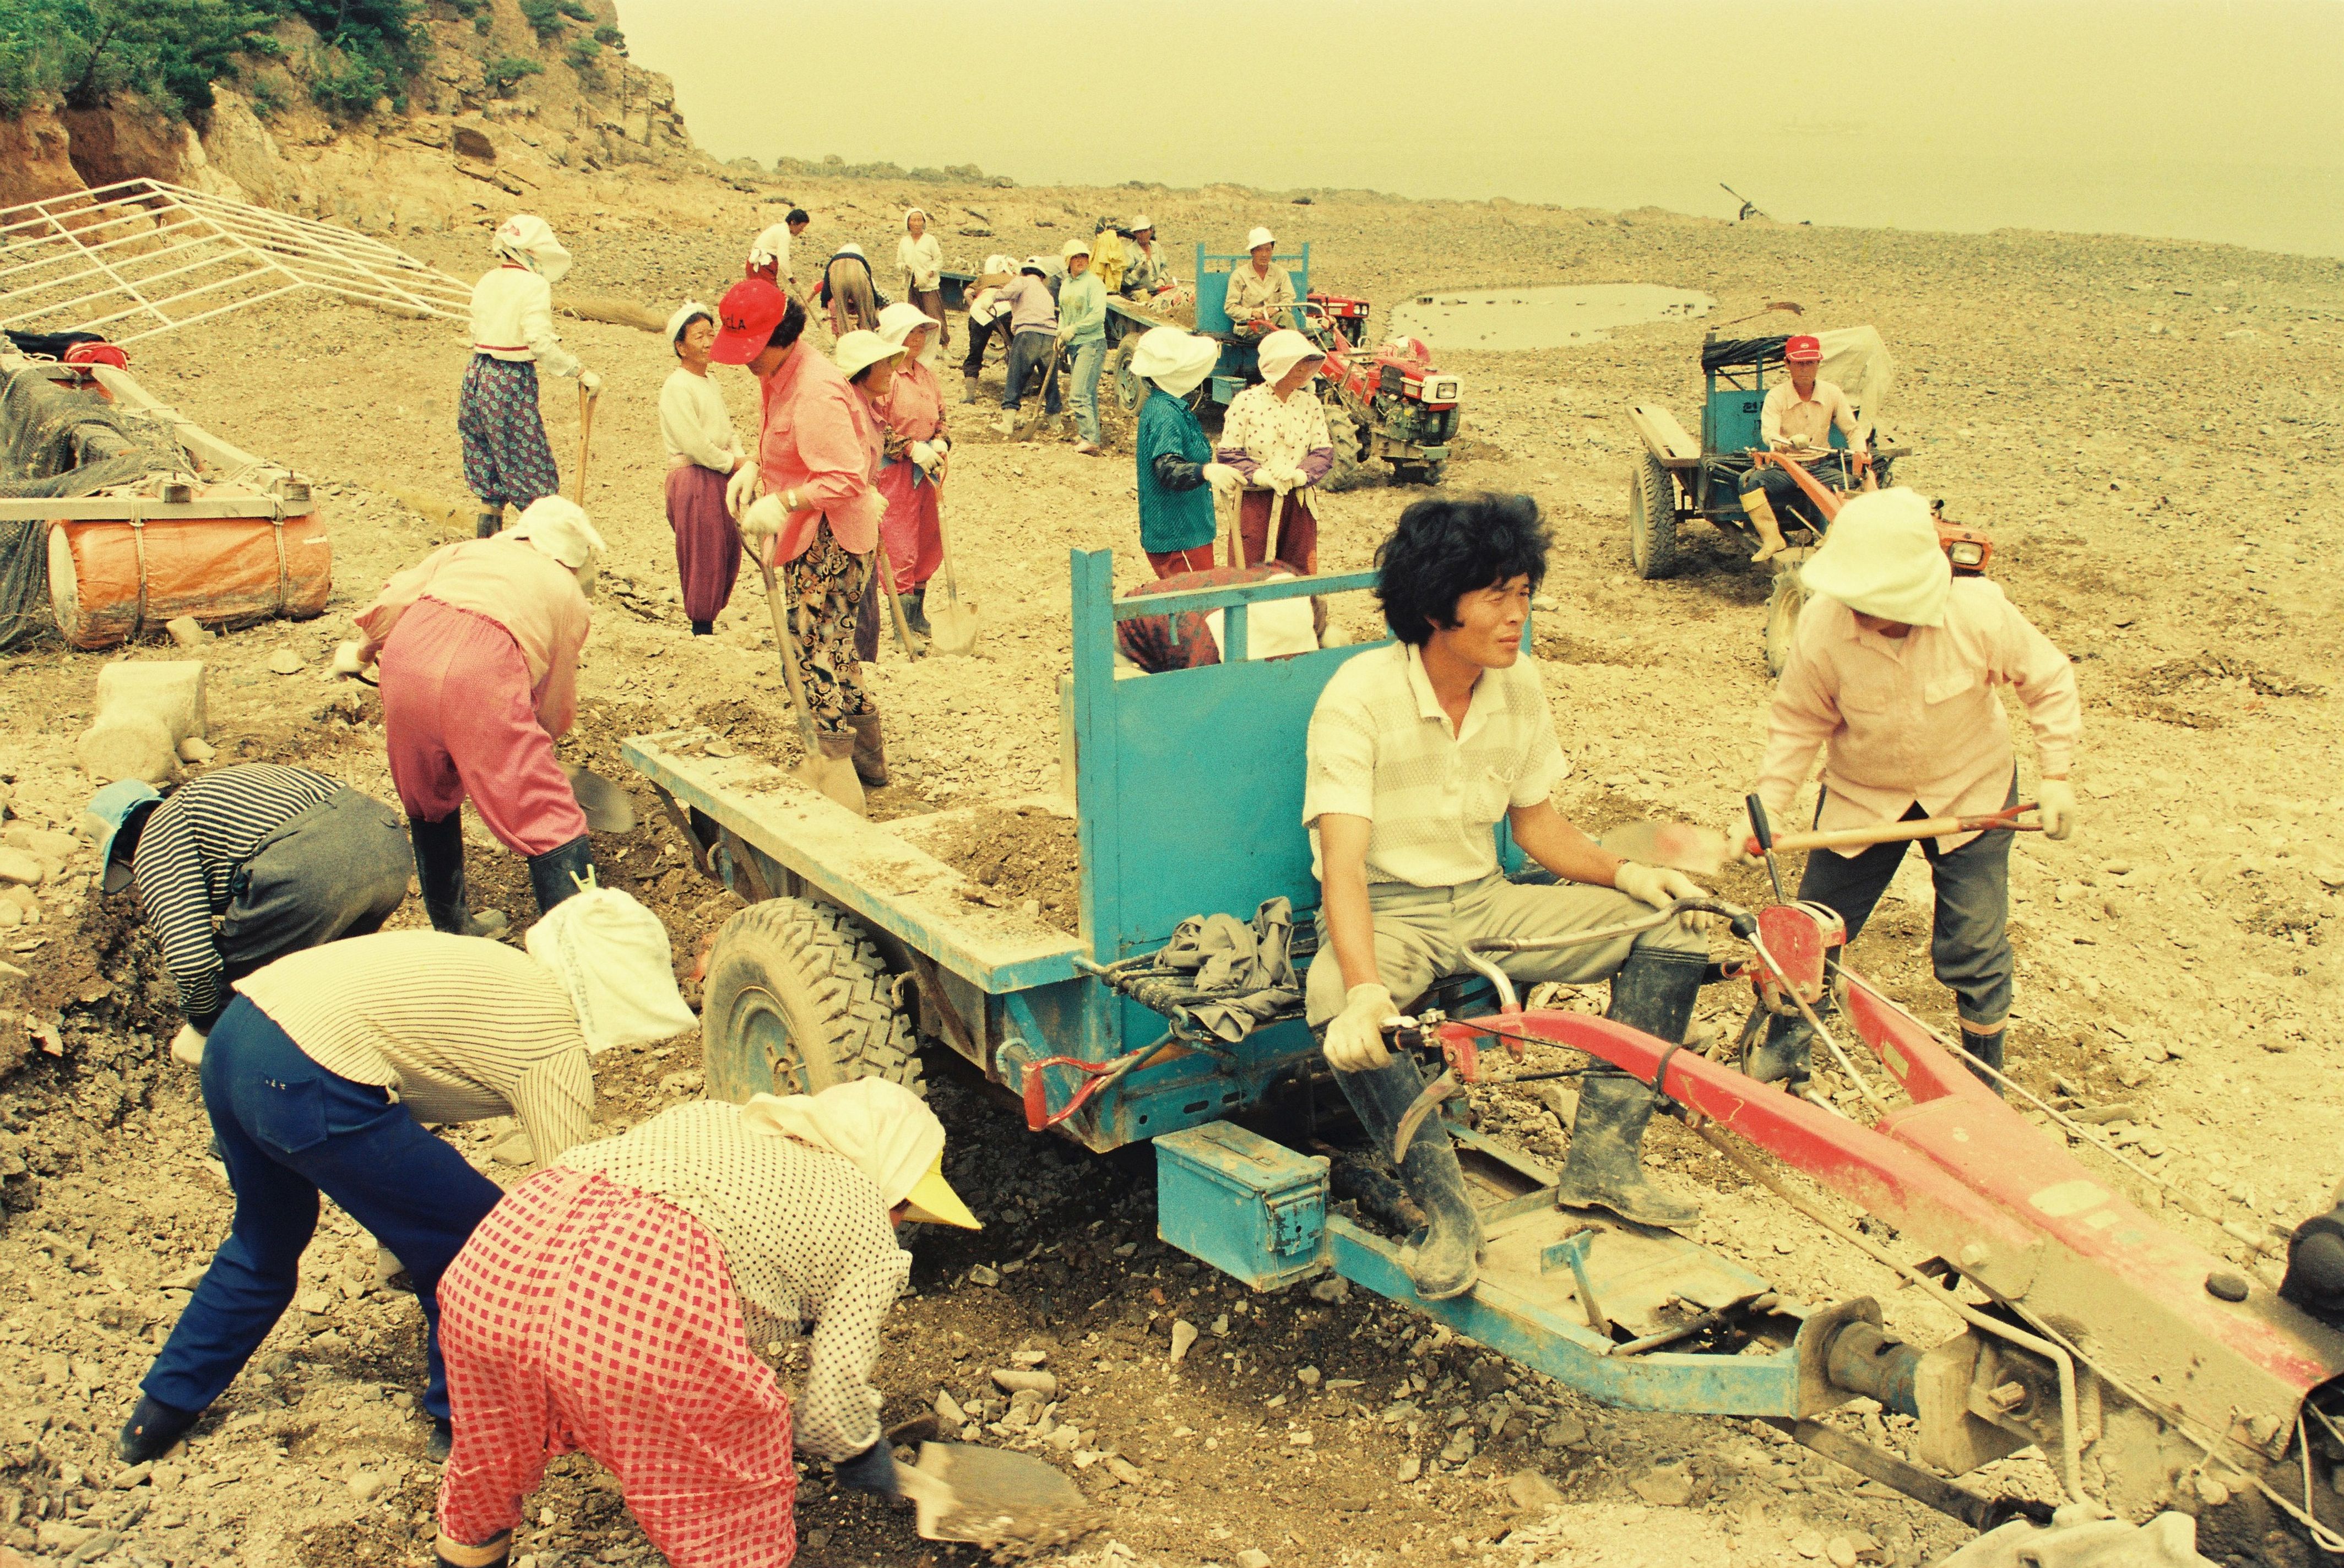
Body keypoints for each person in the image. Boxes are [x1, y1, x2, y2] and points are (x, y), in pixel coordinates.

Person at [116, 893, 696, 1468]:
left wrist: (399, 1224)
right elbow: (567, 1202)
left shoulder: (491, 966)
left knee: (264, 1242)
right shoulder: (549, 1040)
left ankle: (158, 1413)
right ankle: (462, 1419)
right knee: (477, 1242)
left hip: (237, 1040)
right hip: (303, 1072)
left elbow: (392, 1083)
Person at [1306, 495, 1717, 1300]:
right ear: (1435, 606)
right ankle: (1447, 1209)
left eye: (1524, 593)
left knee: (1671, 932)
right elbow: (1344, 865)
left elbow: (1537, 824)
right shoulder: (1358, 696)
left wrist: (1630, 875)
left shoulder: (1517, 681)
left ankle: (1604, 1158)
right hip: (1393, 910)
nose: (1516, 615)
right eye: (1496, 595)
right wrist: (1362, 989)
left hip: (1487, 901)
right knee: (1333, 993)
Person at [430, 1080, 979, 1568]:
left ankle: (466, 1554)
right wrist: (862, 1454)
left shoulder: (716, 1118)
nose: (901, 1219)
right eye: (904, 1203)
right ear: (885, 1173)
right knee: (727, 1475)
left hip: (499, 1262)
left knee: (490, 1452)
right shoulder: (867, 1229)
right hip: (629, 1309)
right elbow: (832, 1403)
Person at [1745, 487, 2080, 1093]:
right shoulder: (1823, 625)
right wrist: (1766, 807)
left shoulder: (1977, 613)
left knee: (1972, 944)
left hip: (1970, 790)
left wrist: (2054, 779)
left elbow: (2049, 680)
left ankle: (1984, 1079)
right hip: (1862, 793)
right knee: (1813, 927)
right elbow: (1798, 721)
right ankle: (1783, 1049)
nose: (1854, 608)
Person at [338, 496, 604, 931]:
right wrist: (541, 744)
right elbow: (555, 695)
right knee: (548, 817)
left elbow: (392, 603)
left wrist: (366, 651)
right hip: (482, 670)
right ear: (574, 559)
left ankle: (454, 927)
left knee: (427, 798)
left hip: (409, 655)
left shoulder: (467, 550)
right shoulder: (568, 593)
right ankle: (581, 956)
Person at [84, 767, 412, 1064]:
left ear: (125, 852)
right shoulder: (213, 794)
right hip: (389, 845)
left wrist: (205, 1025)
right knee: (320, 977)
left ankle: (255, 1081)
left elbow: (191, 960)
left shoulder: (157, 833)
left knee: (243, 989)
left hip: (313, 870)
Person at [712, 279, 889, 791]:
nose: (746, 362)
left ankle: (832, 769)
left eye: (753, 350)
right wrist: (755, 468)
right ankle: (867, 763)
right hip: (820, 527)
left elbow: (846, 476)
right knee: (835, 648)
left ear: (782, 336)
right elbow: (787, 445)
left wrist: (784, 501)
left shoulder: (815, 389)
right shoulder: (778, 372)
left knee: (810, 648)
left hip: (828, 533)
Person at [459, 215, 598, 538]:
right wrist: (577, 369)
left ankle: (488, 545)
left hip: (478, 373)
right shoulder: (534, 285)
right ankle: (542, 550)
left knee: (488, 460)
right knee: (529, 464)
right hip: (510, 378)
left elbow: (476, 329)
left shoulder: (487, 280)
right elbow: (538, 340)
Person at [1738, 333, 1873, 562]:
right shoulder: (1777, 396)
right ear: (1787, 364)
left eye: (1810, 363)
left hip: (1819, 465)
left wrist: (1860, 452)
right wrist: (1788, 443)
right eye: (1799, 363)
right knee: (1748, 483)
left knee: (1853, 487)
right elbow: (1768, 433)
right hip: (1787, 469)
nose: (1805, 369)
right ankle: (1773, 539)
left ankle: (1830, 539)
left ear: (1819, 363)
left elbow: (1852, 429)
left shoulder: (1833, 393)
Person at [659, 301, 746, 635]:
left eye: (712, 334)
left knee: (726, 546)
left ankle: (708, 619)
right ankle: (701, 625)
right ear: (680, 346)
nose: (710, 342)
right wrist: (733, 462)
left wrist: (739, 458)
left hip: (718, 474)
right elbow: (694, 444)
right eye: (700, 336)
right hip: (695, 477)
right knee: (703, 552)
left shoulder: (710, 382)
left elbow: (726, 430)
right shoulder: (677, 386)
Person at [1217, 328, 1333, 574]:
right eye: (1295, 365)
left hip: (1298, 501)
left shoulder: (1311, 405)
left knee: (1298, 570)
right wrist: (1260, 476)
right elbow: (1229, 453)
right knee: (1250, 570)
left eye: (1306, 364)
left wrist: (1300, 475)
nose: (1303, 371)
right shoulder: (1246, 402)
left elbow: (1323, 452)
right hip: (1255, 501)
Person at [1130, 327, 1240, 577]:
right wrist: (1206, 471)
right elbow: (1168, 470)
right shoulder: (1165, 413)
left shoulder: (1171, 406)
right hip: (1178, 536)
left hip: (1188, 528)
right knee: (1195, 609)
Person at [833, 329, 910, 674]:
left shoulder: (869, 407)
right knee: (855, 611)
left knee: (866, 609)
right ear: (864, 370)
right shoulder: (848, 411)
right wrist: (865, 494)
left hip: (862, 518)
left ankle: (862, 675)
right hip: (843, 524)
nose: (891, 372)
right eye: (884, 365)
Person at [874, 301, 951, 637]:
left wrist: (941, 441)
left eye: (922, 331)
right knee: (900, 541)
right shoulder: (885, 377)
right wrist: (909, 447)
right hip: (896, 472)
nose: (917, 338)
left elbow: (942, 417)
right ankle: (901, 621)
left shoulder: (926, 376)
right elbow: (876, 425)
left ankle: (917, 612)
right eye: (910, 331)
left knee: (928, 539)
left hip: (929, 470)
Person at [992, 256, 1061, 432]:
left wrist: (990, 299)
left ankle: (1008, 423)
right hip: (1050, 336)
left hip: (1028, 334)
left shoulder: (1021, 281)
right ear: (1042, 277)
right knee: (1050, 380)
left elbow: (1004, 294)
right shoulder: (1047, 294)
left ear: (1023, 272)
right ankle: (1056, 422)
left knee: (1016, 377)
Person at [1056, 236, 1109, 456]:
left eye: (1084, 256)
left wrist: (1074, 329)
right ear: (1068, 260)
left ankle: (1090, 439)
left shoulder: (1094, 283)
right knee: (1087, 392)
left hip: (1092, 342)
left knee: (1078, 394)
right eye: (1076, 257)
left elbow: (1098, 316)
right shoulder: (1066, 284)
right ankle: (1091, 435)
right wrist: (1061, 334)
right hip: (1074, 344)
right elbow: (1064, 313)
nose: (1080, 260)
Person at [958, 252, 1017, 405]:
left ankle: (970, 396)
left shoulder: (983, 279)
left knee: (975, 353)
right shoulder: (1014, 279)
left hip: (981, 310)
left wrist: (975, 308)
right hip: (1005, 310)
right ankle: (1017, 391)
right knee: (1016, 348)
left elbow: (968, 294)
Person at [1223, 226, 1295, 337]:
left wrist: (1276, 309)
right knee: (1281, 334)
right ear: (1252, 252)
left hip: (1275, 322)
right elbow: (1230, 307)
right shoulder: (1239, 275)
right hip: (1250, 326)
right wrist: (1252, 313)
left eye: (1268, 249)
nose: (1264, 254)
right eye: (1259, 250)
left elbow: (1289, 299)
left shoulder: (1281, 273)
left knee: (1286, 319)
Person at [896, 207, 948, 351]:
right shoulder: (904, 242)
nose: (917, 223)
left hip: (928, 284)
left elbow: (938, 260)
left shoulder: (930, 240)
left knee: (935, 315)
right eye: (914, 220)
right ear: (908, 223)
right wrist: (904, 267)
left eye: (920, 220)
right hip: (911, 285)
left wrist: (929, 273)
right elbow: (899, 262)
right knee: (915, 316)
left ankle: (945, 347)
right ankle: (919, 348)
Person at [818, 241, 885, 340]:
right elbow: (870, 288)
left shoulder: (833, 263)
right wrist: (876, 309)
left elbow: (826, 286)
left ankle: (844, 335)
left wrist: (824, 308)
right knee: (865, 310)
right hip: (857, 269)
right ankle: (868, 332)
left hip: (837, 270)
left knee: (841, 313)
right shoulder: (862, 262)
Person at [1122, 214, 1171, 298]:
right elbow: (1124, 281)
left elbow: (1165, 268)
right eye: (1139, 232)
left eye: (1145, 231)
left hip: (1158, 289)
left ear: (1151, 231)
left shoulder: (1156, 247)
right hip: (1138, 293)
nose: (1143, 235)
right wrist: (1138, 273)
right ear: (1135, 234)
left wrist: (1162, 279)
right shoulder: (1129, 252)